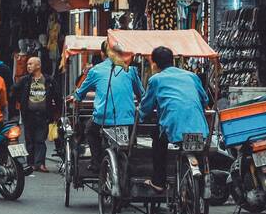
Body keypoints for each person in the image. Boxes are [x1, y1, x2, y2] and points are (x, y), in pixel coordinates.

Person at [138, 46, 209, 192]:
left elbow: (146, 107)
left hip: (173, 127)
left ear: (155, 64)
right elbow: (204, 99)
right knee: (197, 152)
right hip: (198, 127)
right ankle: (201, 187)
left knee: (157, 140)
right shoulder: (192, 76)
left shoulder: (156, 80)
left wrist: (142, 118)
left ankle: (159, 181)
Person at [71, 42, 144, 172]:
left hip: (103, 119)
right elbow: (141, 95)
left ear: (102, 54)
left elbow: (80, 93)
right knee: (131, 139)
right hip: (127, 119)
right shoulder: (130, 70)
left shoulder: (96, 70)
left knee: (89, 130)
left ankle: (96, 162)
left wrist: (75, 97)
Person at [11, 56, 59, 172]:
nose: (28, 66)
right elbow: (13, 91)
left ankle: (40, 163)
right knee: (29, 139)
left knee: (40, 139)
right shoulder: (25, 80)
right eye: (27, 64)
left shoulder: (48, 80)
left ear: (38, 65)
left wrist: (57, 112)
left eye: (31, 64)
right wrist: (21, 101)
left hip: (43, 114)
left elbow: (57, 96)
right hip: (28, 114)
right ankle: (31, 163)